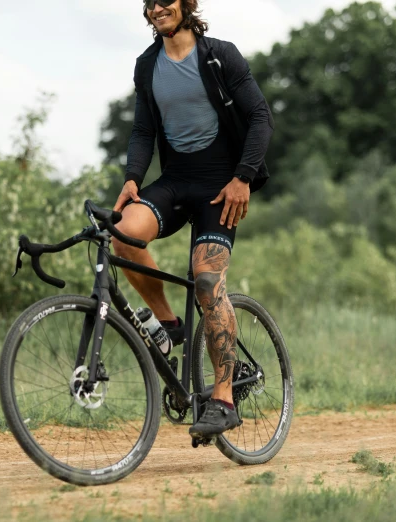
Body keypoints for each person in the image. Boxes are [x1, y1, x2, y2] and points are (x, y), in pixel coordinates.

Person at [112, 0, 274, 437]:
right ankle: (169, 323)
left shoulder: (220, 55)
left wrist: (243, 177)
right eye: (148, 3)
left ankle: (223, 397)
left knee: (206, 281)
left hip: (221, 187)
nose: (156, 7)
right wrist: (132, 179)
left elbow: (261, 117)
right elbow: (143, 130)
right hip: (176, 180)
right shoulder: (147, 66)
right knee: (123, 237)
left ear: (187, 4)